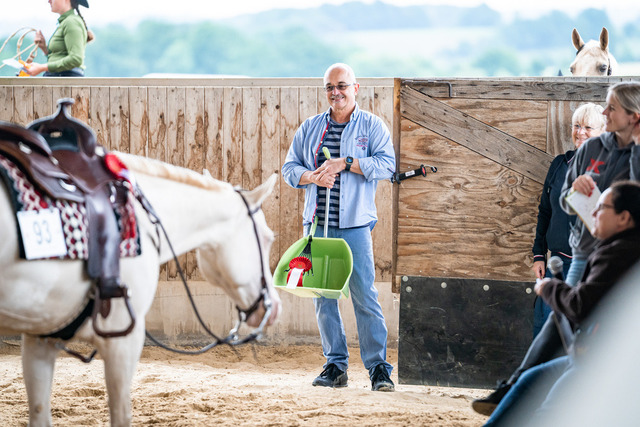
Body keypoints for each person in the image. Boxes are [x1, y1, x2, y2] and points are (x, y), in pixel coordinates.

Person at [473, 81, 640, 416]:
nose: (605, 111)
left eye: (611, 108)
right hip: (584, 251)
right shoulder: (594, 149)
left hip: (624, 255)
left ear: (633, 116)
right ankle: (518, 387)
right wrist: (575, 189)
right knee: (561, 318)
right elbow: (561, 201)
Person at [483, 180, 640, 426]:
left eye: (601, 208)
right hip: (589, 357)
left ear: (623, 218)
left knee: (545, 413)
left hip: (600, 364)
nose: (593, 214)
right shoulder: (617, 249)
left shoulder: (618, 253)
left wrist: (549, 287)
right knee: (530, 381)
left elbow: (580, 306)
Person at [282, 63, 396, 392]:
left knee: (365, 296)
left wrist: (345, 163)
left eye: (342, 86)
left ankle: (378, 368)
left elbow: (387, 166)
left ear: (355, 88)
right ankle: (335, 366)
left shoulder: (372, 126)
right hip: (317, 228)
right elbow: (290, 169)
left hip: (355, 227)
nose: (336, 92)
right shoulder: (310, 127)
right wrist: (312, 176)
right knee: (323, 296)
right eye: (330, 87)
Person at [531, 103, 605, 337]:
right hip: (557, 265)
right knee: (545, 332)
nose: (580, 132)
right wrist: (539, 254)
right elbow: (545, 211)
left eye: (588, 127)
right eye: (577, 126)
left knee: (583, 338)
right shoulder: (559, 164)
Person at [27, 0, 93, 77]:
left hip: (65, 80)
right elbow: (61, 57)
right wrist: (44, 48)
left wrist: (42, 68)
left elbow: (76, 59)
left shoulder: (71, 22)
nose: (49, 1)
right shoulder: (67, 21)